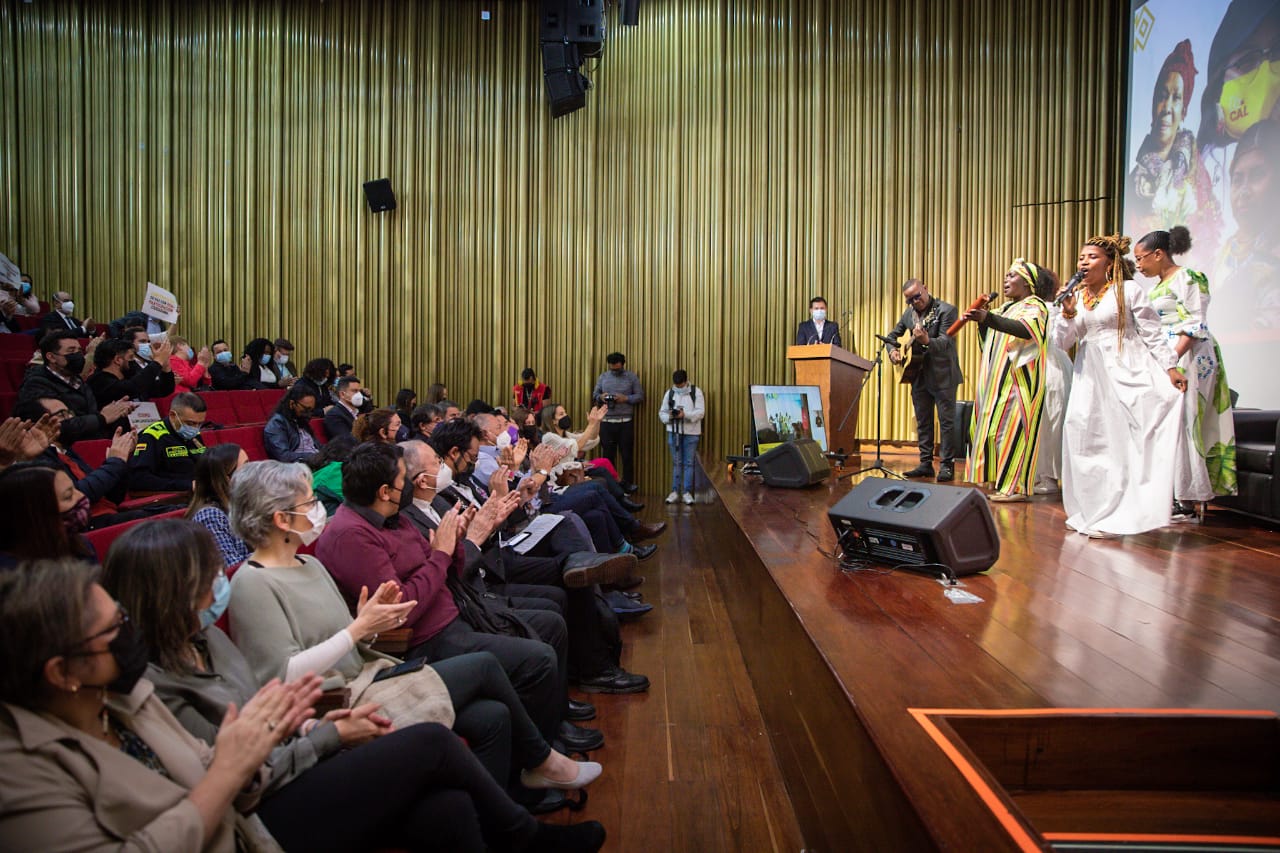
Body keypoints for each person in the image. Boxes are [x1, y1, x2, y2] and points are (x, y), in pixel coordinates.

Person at [106, 519, 606, 853]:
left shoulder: (207, 642)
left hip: (304, 739)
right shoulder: (156, 682)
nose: (220, 577)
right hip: (257, 808)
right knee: (439, 733)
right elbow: (239, 773)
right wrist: (328, 734)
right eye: (207, 573)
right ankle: (526, 832)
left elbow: (269, 717)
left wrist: (317, 721)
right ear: (172, 590)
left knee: (453, 797)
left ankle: (518, 823)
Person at [227, 459, 605, 780]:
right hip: (335, 701)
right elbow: (282, 675)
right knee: (493, 664)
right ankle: (544, 764)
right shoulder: (251, 582)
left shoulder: (307, 562)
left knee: (493, 717)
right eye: (308, 502)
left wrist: (366, 626)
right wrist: (361, 627)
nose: (317, 509)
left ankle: (519, 805)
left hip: (370, 671)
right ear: (280, 518)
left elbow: (355, 635)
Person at [0, 559, 321, 852]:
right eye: (114, 628)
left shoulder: (121, 694)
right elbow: (218, 777)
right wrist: (230, 770)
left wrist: (251, 753)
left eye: (123, 616)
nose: (129, 632)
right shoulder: (19, 773)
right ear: (62, 672)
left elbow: (210, 766)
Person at [313, 443, 604, 754]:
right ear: (386, 491)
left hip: (455, 609)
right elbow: (404, 607)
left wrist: (462, 541)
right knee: (539, 656)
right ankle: (543, 751)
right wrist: (443, 553)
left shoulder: (394, 517)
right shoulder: (353, 536)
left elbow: (443, 562)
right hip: (424, 638)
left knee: (550, 624)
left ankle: (553, 727)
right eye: (404, 481)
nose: (409, 486)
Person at [1053, 234, 1187, 538]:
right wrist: (1067, 312)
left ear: (1110, 263)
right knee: (1084, 437)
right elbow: (1063, 342)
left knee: (1118, 442)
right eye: (1081, 258)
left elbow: (1152, 332)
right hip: (1090, 375)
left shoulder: (1128, 290)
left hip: (1127, 369)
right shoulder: (1078, 299)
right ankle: (1092, 509)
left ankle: (1123, 510)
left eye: (1092, 257)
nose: (1083, 263)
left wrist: (1170, 366)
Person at [1135, 225, 1238, 516]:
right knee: (1169, 422)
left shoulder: (1189, 277)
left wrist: (1172, 359)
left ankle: (1188, 498)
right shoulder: (1156, 287)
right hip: (1168, 358)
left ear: (1159, 254)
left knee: (1187, 418)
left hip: (1191, 355)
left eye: (1142, 258)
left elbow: (1195, 322)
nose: (1139, 265)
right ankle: (1173, 492)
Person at [963, 259, 1050, 502]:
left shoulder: (1036, 305)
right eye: (1006, 276)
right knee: (991, 432)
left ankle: (1015, 487)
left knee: (1014, 433)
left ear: (1028, 282)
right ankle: (996, 479)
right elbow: (989, 340)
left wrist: (987, 318)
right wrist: (982, 322)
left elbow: (1026, 330)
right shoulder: (1003, 308)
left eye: (1012, 276)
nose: (1006, 280)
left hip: (1018, 382)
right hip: (994, 383)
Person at [1129, 39, 1221, 245]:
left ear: (1185, 110)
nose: (1167, 108)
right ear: (1153, 103)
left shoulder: (1197, 174)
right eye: (1162, 96)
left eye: (1176, 98)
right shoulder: (1133, 180)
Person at [885, 279, 963, 481]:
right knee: (923, 421)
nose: (915, 302)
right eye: (910, 300)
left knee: (946, 423)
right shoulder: (908, 314)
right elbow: (892, 336)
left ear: (926, 288)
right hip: (918, 374)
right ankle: (925, 463)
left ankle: (947, 465)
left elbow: (946, 343)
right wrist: (893, 351)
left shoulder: (946, 311)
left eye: (917, 296)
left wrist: (927, 340)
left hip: (943, 374)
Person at [18, 331, 133, 443]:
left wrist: (113, 411)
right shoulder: (36, 384)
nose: (78, 355)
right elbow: (62, 426)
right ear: (51, 357)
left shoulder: (78, 381)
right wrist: (102, 418)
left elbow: (88, 416)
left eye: (79, 350)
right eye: (71, 351)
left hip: (89, 444)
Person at [1030, 270, 1074, 495]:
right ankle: (1036, 474)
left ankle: (1048, 476)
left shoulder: (1050, 309)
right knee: (1041, 424)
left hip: (1050, 367)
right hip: (1039, 366)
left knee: (1050, 421)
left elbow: (1057, 340)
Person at [0, 463, 95, 566]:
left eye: (75, 489)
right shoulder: (9, 573)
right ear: (37, 514)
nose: (81, 496)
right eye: (68, 496)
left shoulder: (80, 545)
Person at [187, 443, 252, 567]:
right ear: (226, 478)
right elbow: (231, 567)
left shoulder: (241, 505)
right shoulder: (210, 515)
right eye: (246, 467)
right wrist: (272, 553)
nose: (253, 472)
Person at [129, 392, 208, 493]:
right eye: (190, 423)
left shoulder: (194, 433)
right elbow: (138, 479)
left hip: (200, 493)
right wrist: (186, 485)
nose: (195, 428)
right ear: (172, 415)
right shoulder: (152, 436)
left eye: (199, 423)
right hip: (173, 498)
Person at [591, 353, 644, 493]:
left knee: (627, 456)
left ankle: (628, 486)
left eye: (617, 369)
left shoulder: (631, 377)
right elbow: (594, 395)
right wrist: (601, 397)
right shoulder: (603, 377)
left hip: (625, 422)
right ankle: (611, 488)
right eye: (612, 368)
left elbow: (640, 396)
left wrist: (625, 398)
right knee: (608, 456)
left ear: (623, 364)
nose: (614, 370)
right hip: (607, 422)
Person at [658, 369, 705, 505]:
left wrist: (685, 415)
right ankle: (674, 492)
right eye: (676, 386)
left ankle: (686, 492)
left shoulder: (696, 392)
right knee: (677, 463)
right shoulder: (670, 393)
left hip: (691, 433)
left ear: (686, 382)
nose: (678, 388)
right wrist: (671, 416)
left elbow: (701, 412)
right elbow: (662, 413)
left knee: (689, 463)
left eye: (681, 385)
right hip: (674, 431)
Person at [87, 336, 176, 404]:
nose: (134, 361)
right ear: (118, 360)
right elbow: (131, 388)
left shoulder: (129, 377)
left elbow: (165, 389)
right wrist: (158, 361)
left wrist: (165, 365)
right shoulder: (98, 380)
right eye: (130, 357)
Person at [263, 385, 320, 463]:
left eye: (311, 410)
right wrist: (314, 456)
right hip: (299, 468)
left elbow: (317, 446)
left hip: (316, 462)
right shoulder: (277, 423)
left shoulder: (302, 421)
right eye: (306, 409)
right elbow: (283, 456)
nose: (309, 414)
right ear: (292, 403)